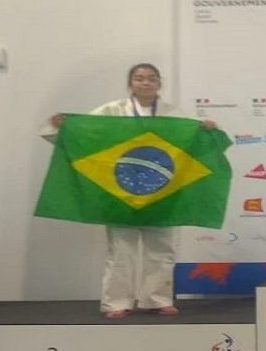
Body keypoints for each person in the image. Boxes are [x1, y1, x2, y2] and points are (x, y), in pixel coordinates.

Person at [41, 63, 217, 318]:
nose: (145, 82)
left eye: (151, 78)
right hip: (120, 191)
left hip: (161, 191)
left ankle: (158, 299)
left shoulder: (173, 113)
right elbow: (84, 132)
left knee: (161, 248)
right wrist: (59, 125)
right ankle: (117, 302)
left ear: (159, 83)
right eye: (139, 78)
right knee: (121, 251)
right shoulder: (112, 111)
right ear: (130, 83)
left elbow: (191, 140)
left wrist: (205, 129)